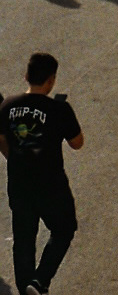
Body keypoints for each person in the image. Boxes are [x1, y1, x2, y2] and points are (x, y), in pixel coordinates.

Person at [0, 52, 84, 295]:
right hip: (51, 185)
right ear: (51, 80)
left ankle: (26, 287)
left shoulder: (7, 106)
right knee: (64, 228)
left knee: (23, 240)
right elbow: (77, 143)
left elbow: (1, 139)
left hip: (19, 184)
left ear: (26, 76)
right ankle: (40, 281)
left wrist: (15, 157)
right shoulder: (59, 109)